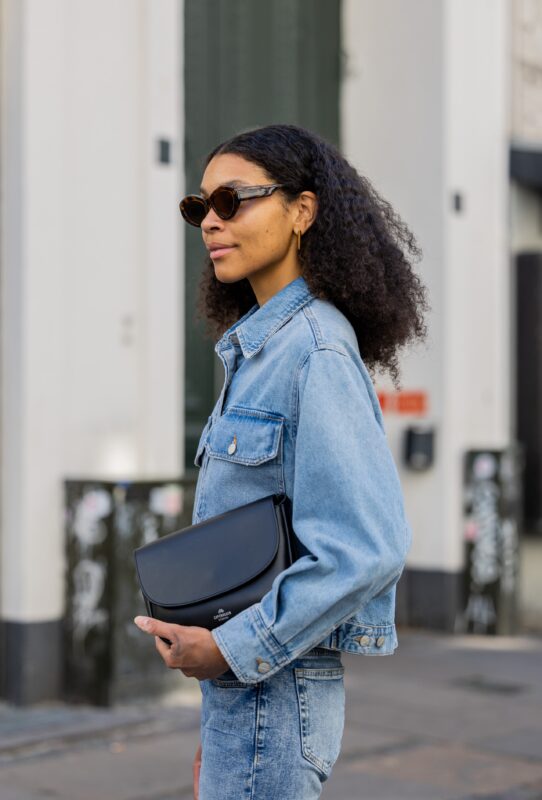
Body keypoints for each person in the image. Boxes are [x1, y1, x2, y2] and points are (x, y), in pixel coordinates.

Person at [134, 123, 429, 799]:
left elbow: (368, 547)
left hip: (273, 693)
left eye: (232, 201)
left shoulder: (315, 353)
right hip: (246, 704)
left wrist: (229, 650)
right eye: (199, 208)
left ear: (302, 210)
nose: (210, 221)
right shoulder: (262, 352)